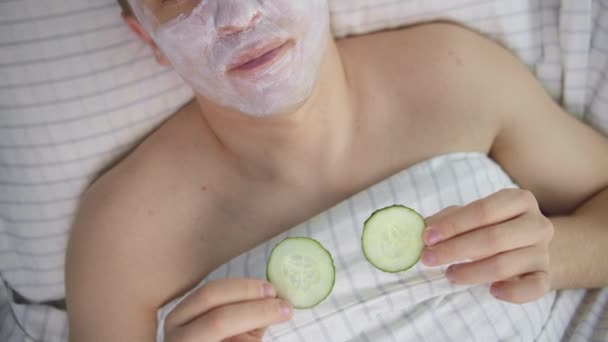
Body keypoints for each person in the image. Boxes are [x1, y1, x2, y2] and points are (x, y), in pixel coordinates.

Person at [65, 0, 608, 341]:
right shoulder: (120, 237)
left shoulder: (452, 73)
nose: (236, 16)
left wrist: (553, 252)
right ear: (146, 35)